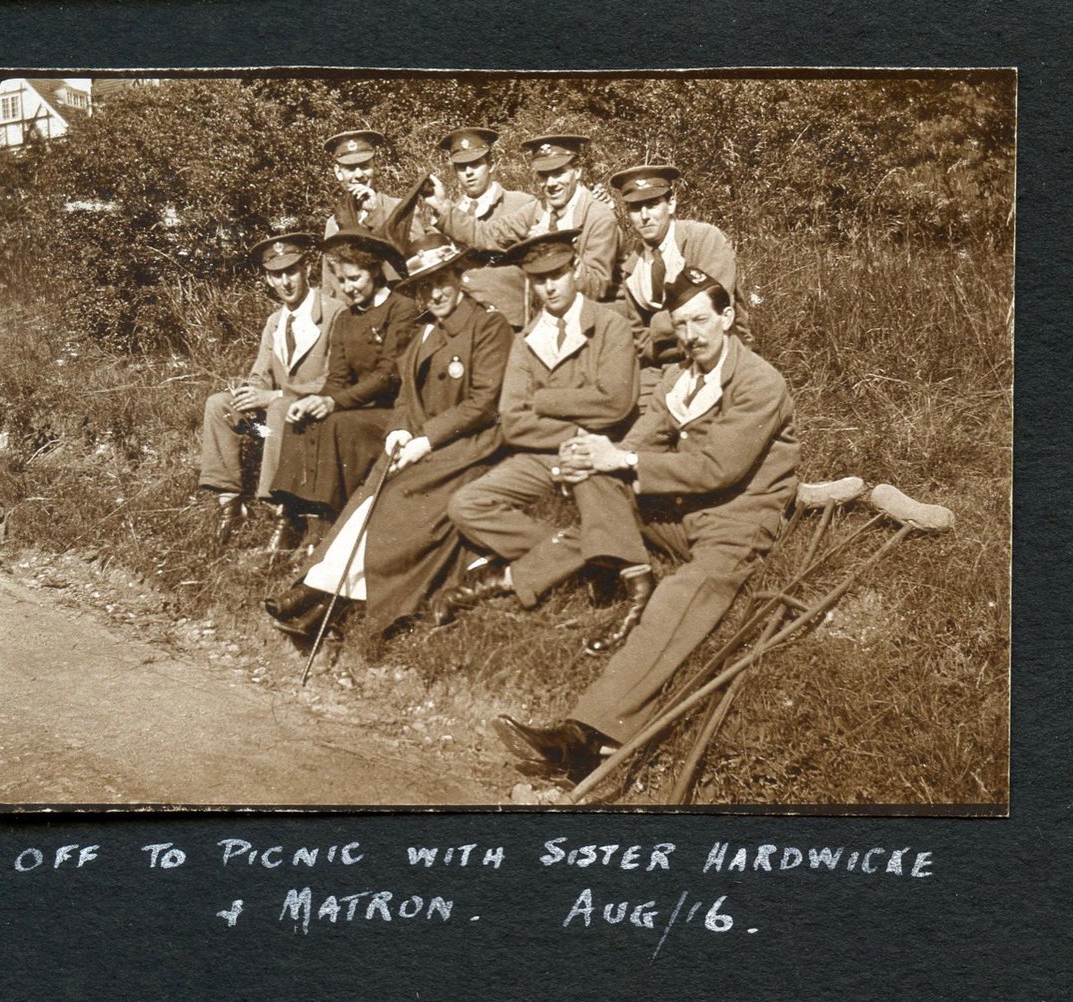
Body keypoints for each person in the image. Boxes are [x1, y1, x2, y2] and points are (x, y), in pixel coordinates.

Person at [491, 266, 799, 780]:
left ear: (727, 317)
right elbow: (639, 443)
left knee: (679, 599)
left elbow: (717, 468)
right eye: (681, 324)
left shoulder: (759, 381)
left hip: (737, 520)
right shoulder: (680, 377)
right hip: (681, 510)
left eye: (700, 320)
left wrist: (625, 461)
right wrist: (592, 453)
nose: (691, 335)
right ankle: (624, 574)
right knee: (595, 473)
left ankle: (587, 735)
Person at [262, 233, 514, 638]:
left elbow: (483, 404)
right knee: (367, 501)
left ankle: (327, 601)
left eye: (441, 281)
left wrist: (425, 439)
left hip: (468, 448)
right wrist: (398, 429)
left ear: (458, 276)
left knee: (395, 506)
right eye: (425, 287)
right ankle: (319, 598)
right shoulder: (427, 331)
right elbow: (407, 396)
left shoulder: (487, 326)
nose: (435, 294)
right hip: (425, 444)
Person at [428, 228, 653, 634]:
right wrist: (574, 424)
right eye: (538, 279)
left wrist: (545, 400)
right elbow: (513, 420)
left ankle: (536, 569)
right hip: (542, 455)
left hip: (596, 450)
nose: (549, 287)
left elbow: (616, 403)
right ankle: (586, 553)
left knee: (591, 470)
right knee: (466, 505)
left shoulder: (610, 325)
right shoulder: (527, 339)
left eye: (557, 274)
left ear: (576, 268)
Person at [266, 228, 420, 548]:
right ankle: (293, 515)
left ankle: (325, 525)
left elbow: (389, 375)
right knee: (301, 418)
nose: (348, 289)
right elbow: (337, 379)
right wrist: (313, 401)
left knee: (336, 423)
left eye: (354, 279)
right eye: (341, 281)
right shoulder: (346, 319)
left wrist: (334, 403)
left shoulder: (400, 308)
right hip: (357, 407)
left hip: (395, 411)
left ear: (374, 271)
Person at [197, 232, 345, 546]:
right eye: (277, 275)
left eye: (291, 271)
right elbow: (261, 374)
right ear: (268, 279)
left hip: (316, 417)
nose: (285, 282)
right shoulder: (275, 322)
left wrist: (276, 395)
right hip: (276, 424)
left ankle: (283, 510)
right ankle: (230, 503)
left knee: (278, 407)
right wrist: (248, 392)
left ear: (306, 269)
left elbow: (337, 377)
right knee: (219, 405)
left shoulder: (334, 313)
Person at [608, 164, 751, 404]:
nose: (644, 216)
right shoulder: (633, 266)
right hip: (664, 363)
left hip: (718, 356)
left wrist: (657, 325)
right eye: (635, 207)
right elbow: (637, 334)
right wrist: (664, 355)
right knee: (624, 406)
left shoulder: (704, 239)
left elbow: (711, 309)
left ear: (671, 203)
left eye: (653, 204)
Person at [423, 133, 620, 303]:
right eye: (543, 175)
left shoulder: (598, 216)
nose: (551, 183)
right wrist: (443, 206)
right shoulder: (537, 210)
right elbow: (487, 235)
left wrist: (555, 247)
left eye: (558, 173)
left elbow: (596, 287)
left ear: (577, 172)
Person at [435, 127, 535, 328]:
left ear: (491, 165)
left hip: (510, 320)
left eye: (475, 164)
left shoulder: (521, 204)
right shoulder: (446, 215)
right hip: (463, 323)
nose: (469, 173)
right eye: (461, 167)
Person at [320, 129, 421, 298]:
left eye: (365, 166)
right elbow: (330, 282)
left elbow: (419, 262)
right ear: (338, 172)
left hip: (400, 303)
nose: (359, 175)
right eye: (350, 168)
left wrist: (376, 214)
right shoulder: (334, 223)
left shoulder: (402, 209)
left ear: (376, 166)